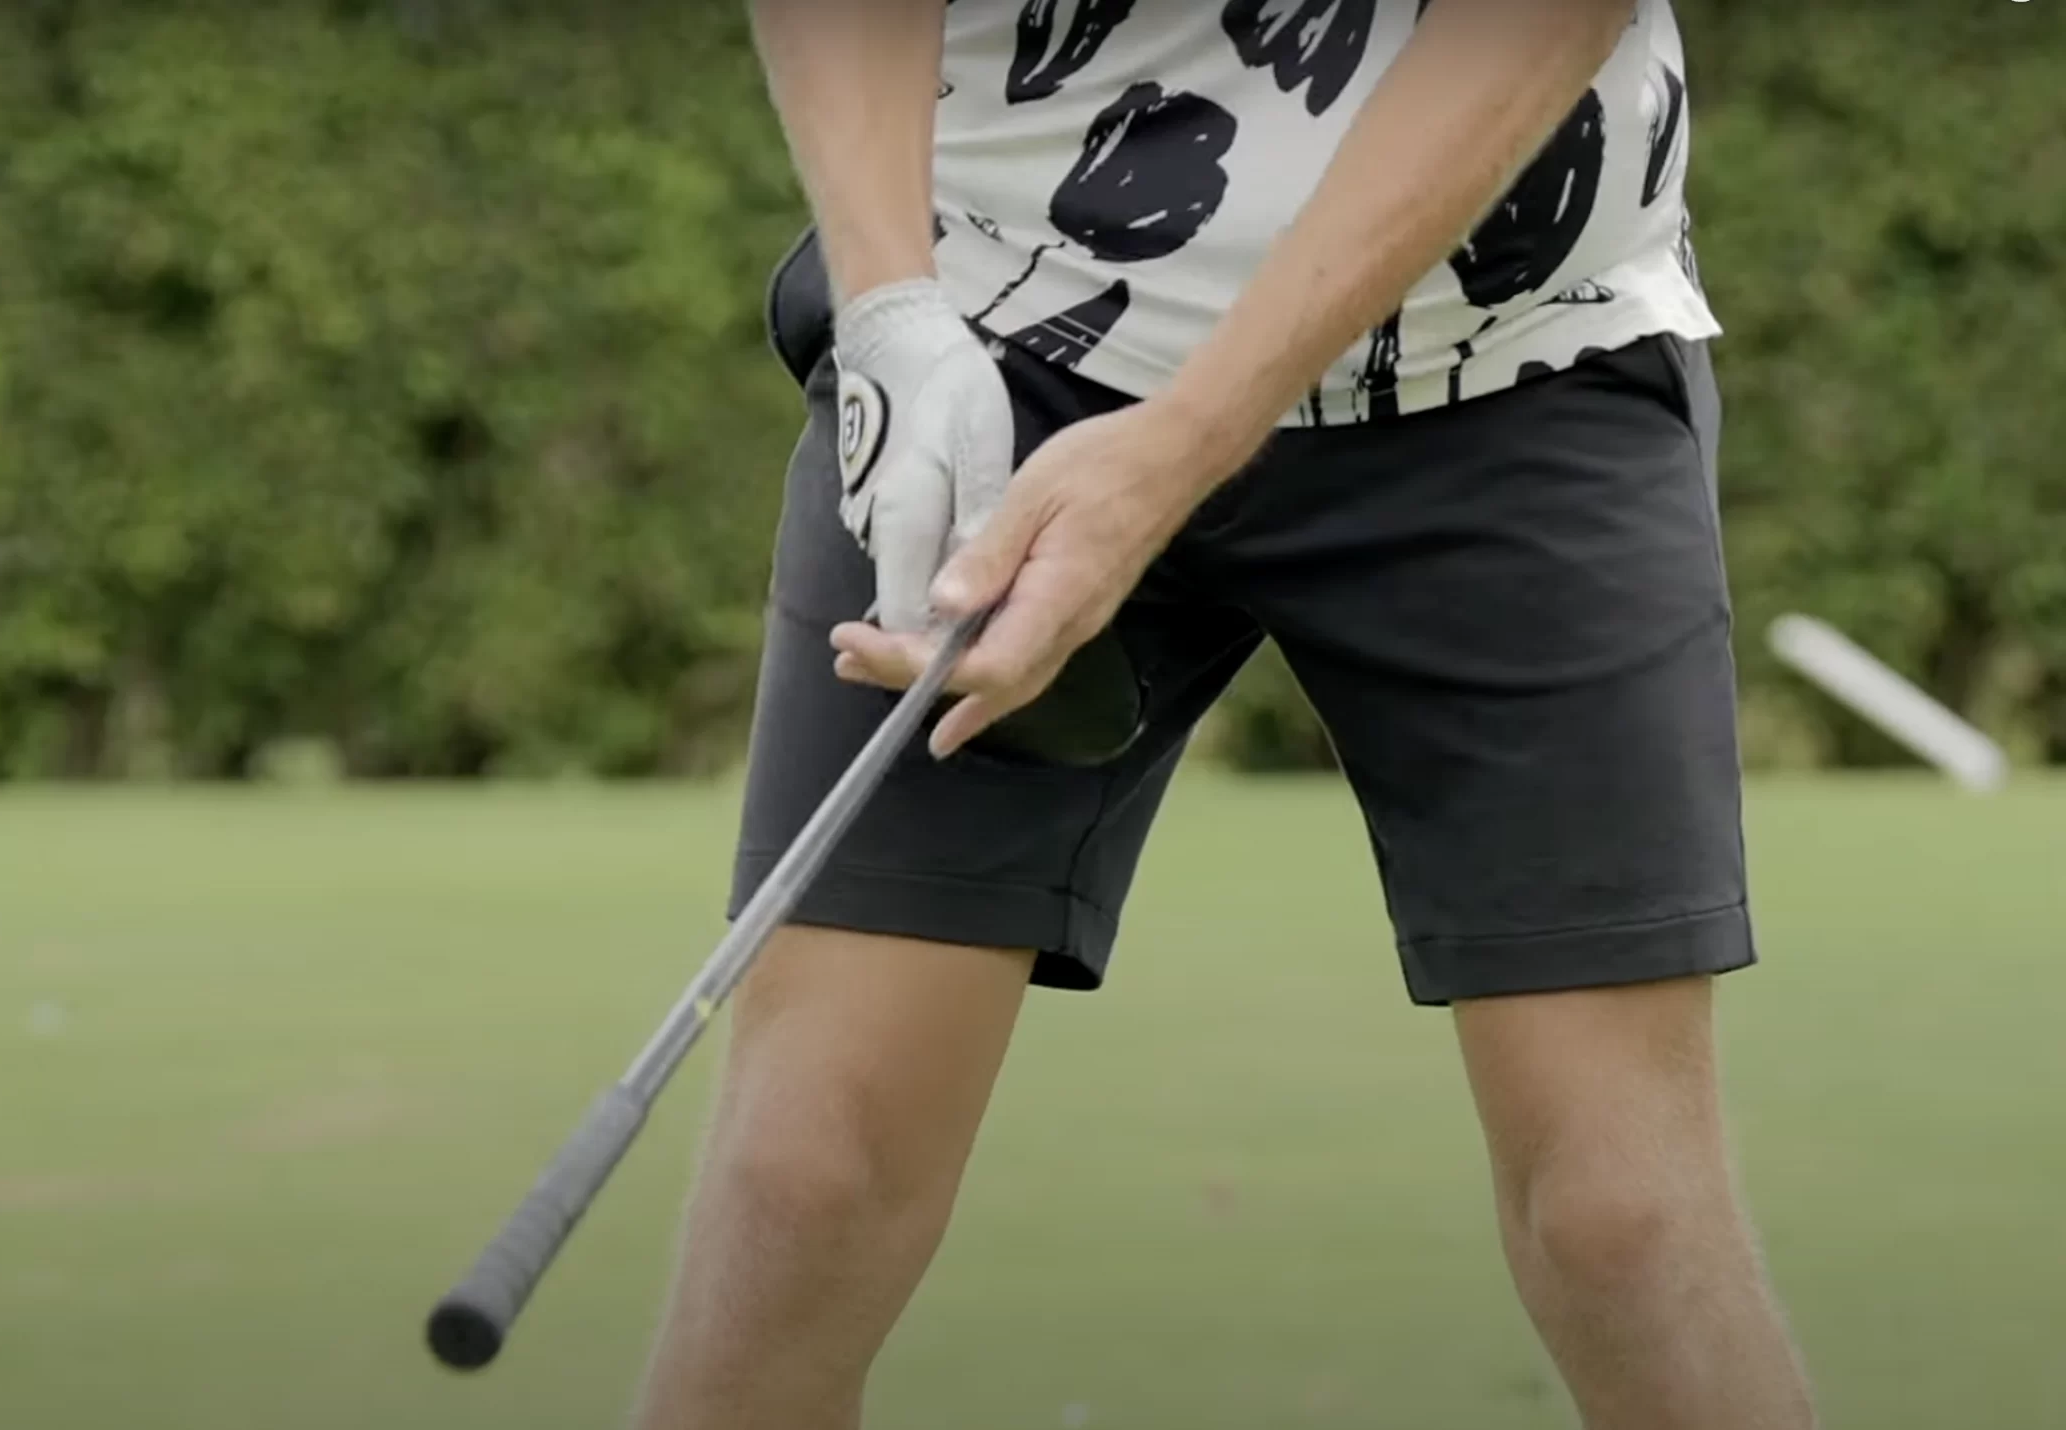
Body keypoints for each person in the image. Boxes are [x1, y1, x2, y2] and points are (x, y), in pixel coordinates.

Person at [634, 1, 1818, 1426]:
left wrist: (1176, 452)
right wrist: (889, 310)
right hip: (995, 339)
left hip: (1508, 359)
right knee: (801, 1184)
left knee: (1620, 1220)